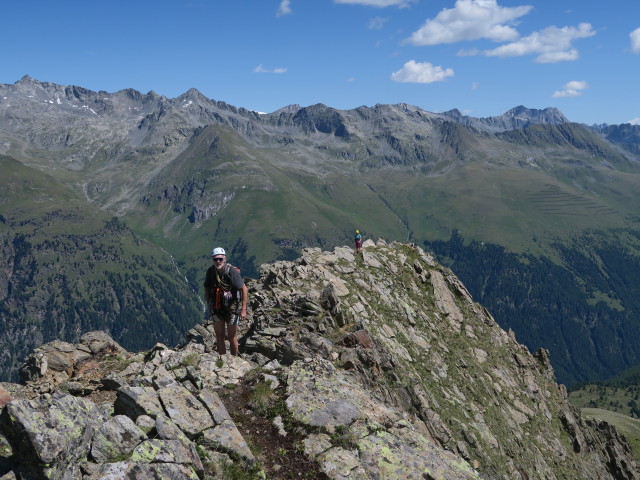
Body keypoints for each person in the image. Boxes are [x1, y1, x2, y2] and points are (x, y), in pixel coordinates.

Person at [203, 247, 248, 355]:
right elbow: (206, 287)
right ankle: (223, 359)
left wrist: (243, 309)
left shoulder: (232, 272)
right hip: (217, 307)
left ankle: (234, 360)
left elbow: (244, 289)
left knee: (232, 337)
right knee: (219, 336)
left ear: (224, 259)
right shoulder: (210, 272)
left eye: (220, 259)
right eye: (215, 259)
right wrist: (208, 301)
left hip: (232, 308)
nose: (218, 261)